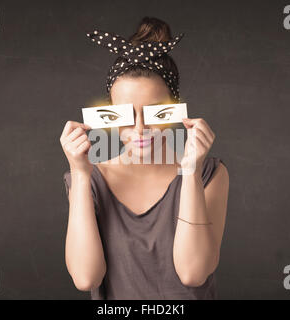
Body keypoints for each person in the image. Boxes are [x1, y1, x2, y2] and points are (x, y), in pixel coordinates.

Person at [59, 17, 229, 300]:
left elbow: (193, 273)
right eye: (124, 115)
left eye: (154, 113)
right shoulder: (87, 180)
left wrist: (189, 172)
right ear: (109, 114)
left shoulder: (210, 174)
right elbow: (86, 277)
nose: (139, 129)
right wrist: (79, 173)